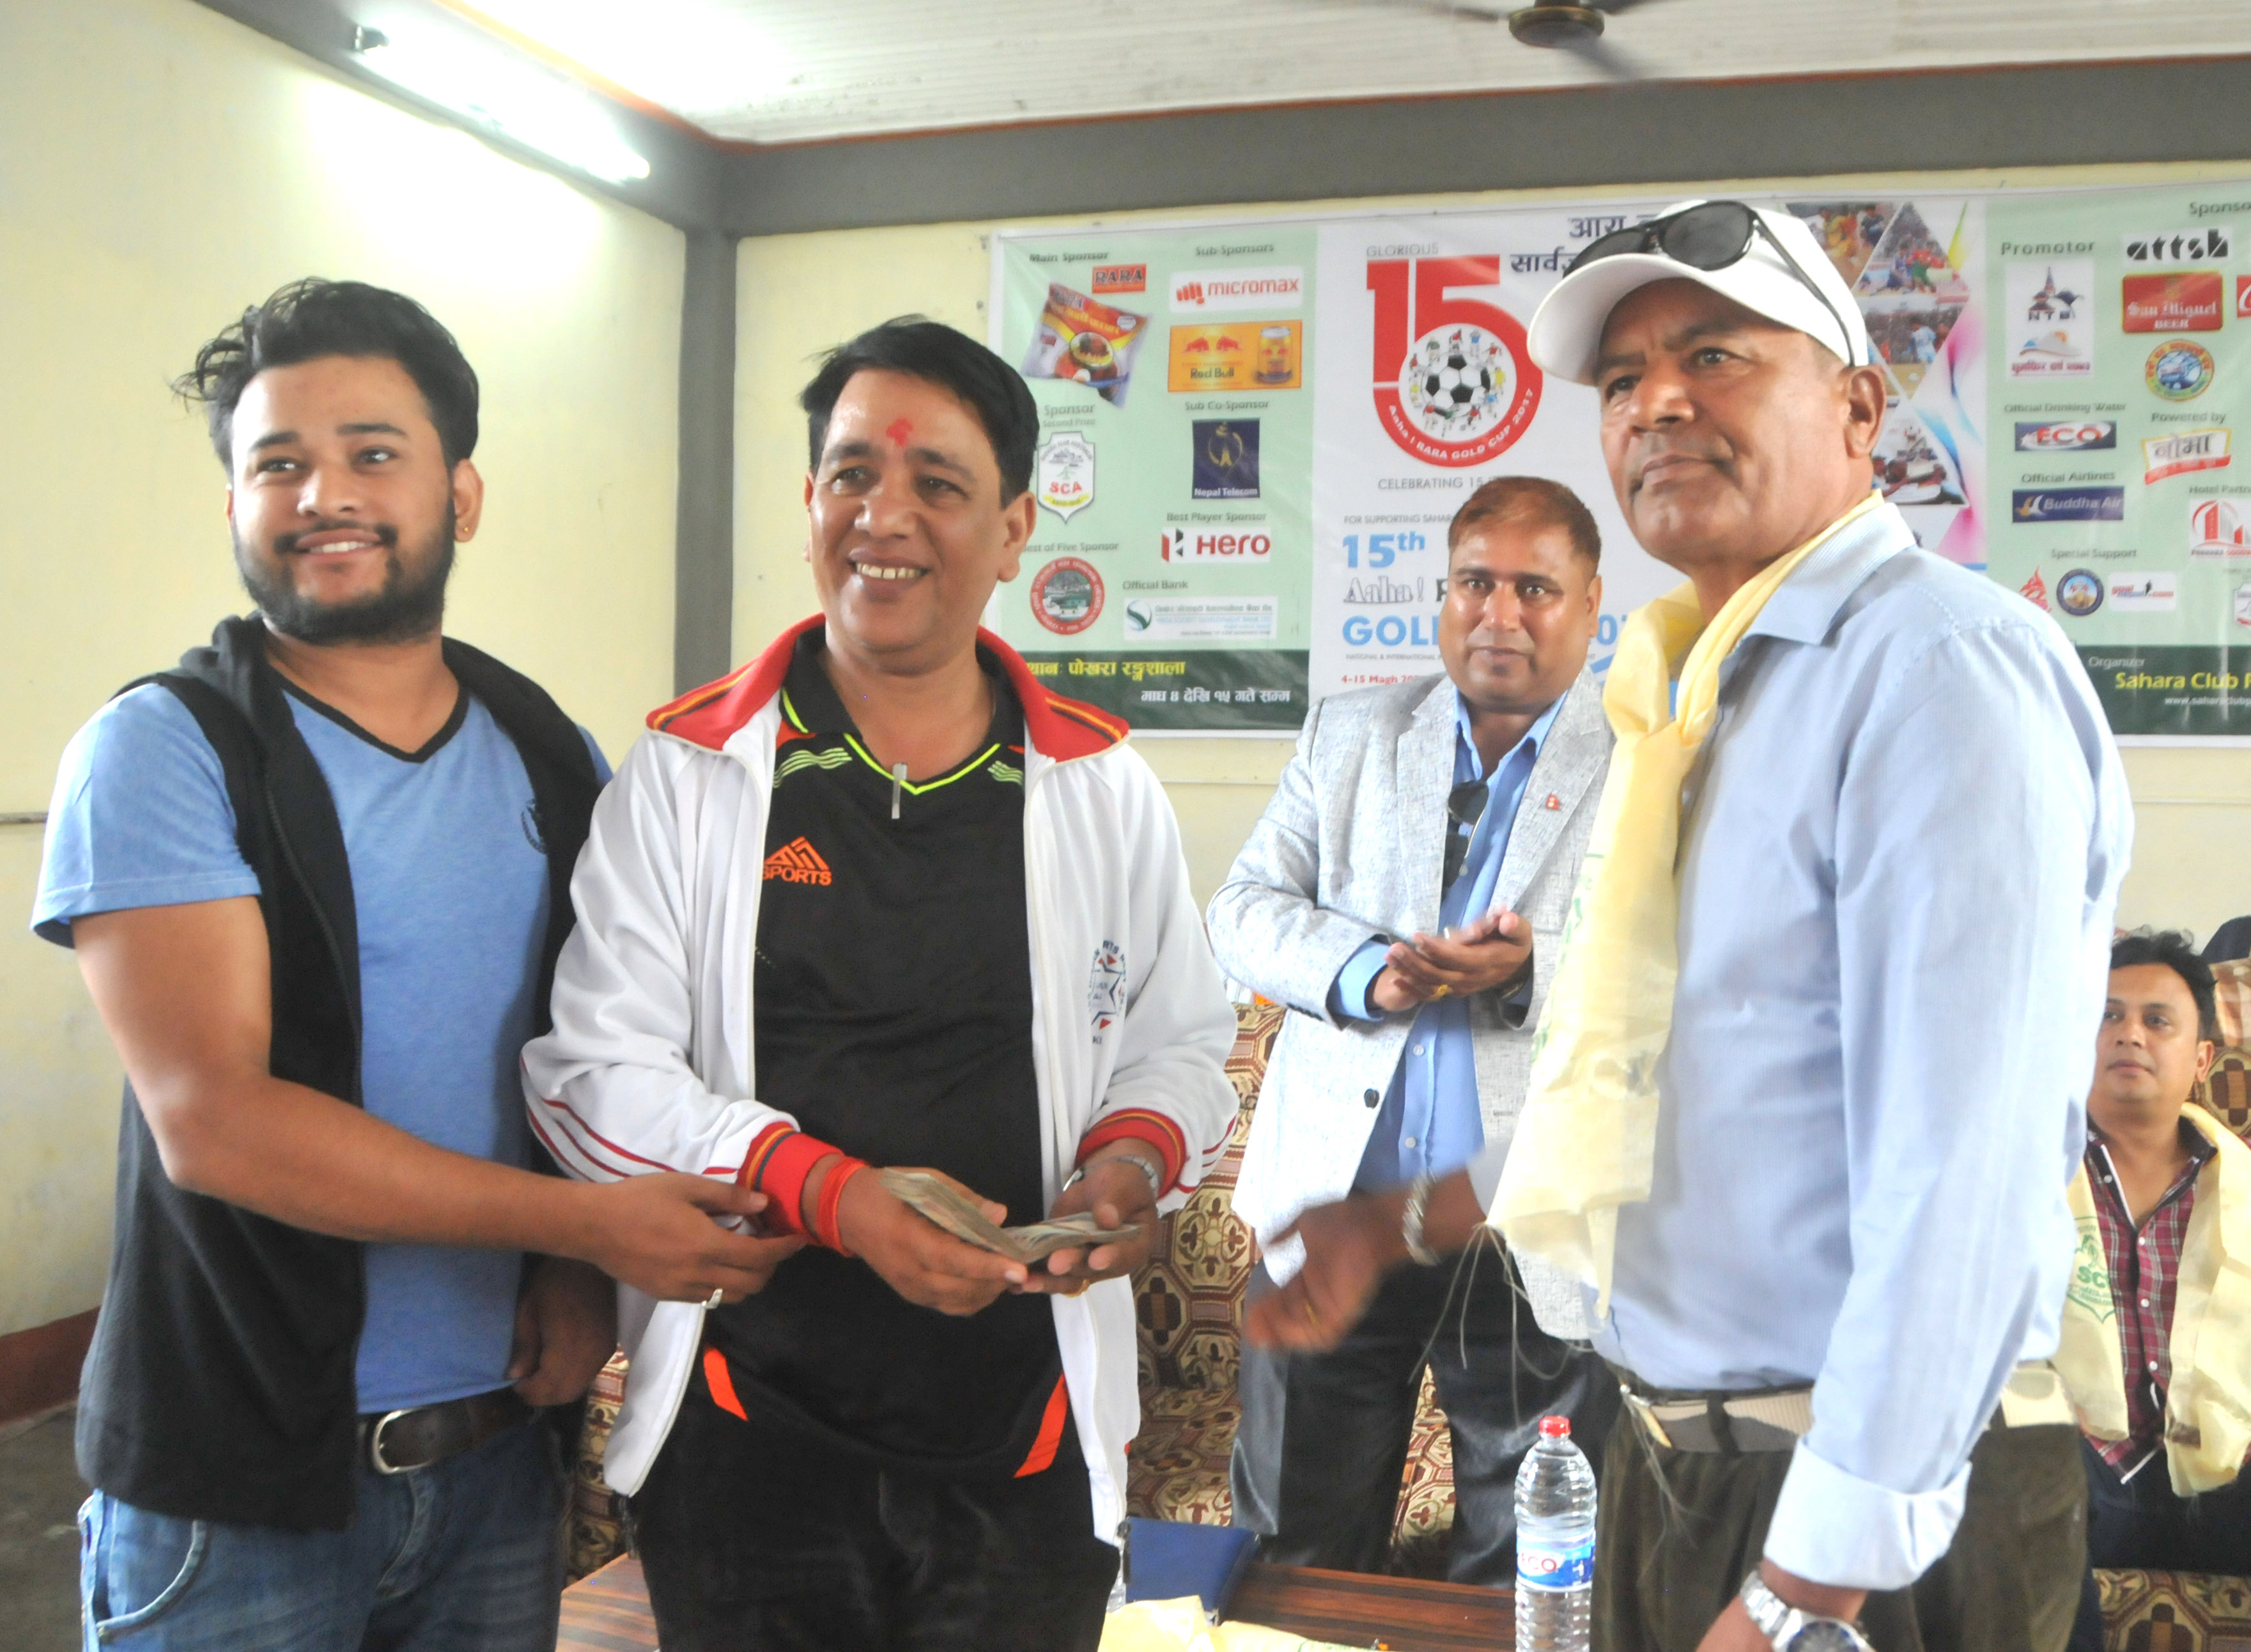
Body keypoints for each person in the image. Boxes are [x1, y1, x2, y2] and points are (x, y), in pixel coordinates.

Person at [1249, 201, 2131, 1652]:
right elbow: (1675, 1094)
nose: (1656, 401)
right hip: (1678, 1465)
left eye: (1714, 356)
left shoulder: (1937, 670)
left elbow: (1961, 1176)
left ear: (1859, 410)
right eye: (1622, 378)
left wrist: (1804, 1592)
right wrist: (1394, 1221)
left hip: (1866, 1511)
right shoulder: (1695, 701)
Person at [35, 280, 799, 1652]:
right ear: (233, 503)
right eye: (277, 462)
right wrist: (588, 1228)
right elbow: (218, 1121)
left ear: (462, 493)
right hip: (238, 1493)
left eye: (372, 453)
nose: (323, 493)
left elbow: (596, 1046)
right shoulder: (166, 747)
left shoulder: (546, 748)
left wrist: (574, 1269)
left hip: (495, 1457)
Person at [520, 317, 1239, 1652]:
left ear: (1014, 529)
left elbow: (1182, 1041)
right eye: (851, 474)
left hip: (1022, 1439)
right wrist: (831, 1196)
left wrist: (1130, 1166)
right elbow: (589, 1076)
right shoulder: (686, 773)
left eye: (936, 484)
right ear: (809, 501)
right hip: (746, 1432)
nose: (883, 516)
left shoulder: (1102, 787)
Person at [1207, 476, 1619, 1583]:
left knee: (1523, 1573)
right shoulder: (1351, 732)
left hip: (1523, 1226)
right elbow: (1239, 913)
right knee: (1293, 1558)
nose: (1499, 614)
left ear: (1590, 604)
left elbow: (1674, 975)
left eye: (1534, 589)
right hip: (1335, 1208)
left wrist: (1530, 970)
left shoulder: (1642, 760)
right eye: (1474, 582)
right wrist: (1366, 974)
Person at [2059, 932, 2251, 1652]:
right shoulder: (2020, 1174)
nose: (2129, 1033)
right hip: (2079, 1478)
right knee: (2020, 1463)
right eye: (2107, 1015)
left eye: (2157, 1019)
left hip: (2228, 1477)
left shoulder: (2243, 1186)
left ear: (2202, 1059)